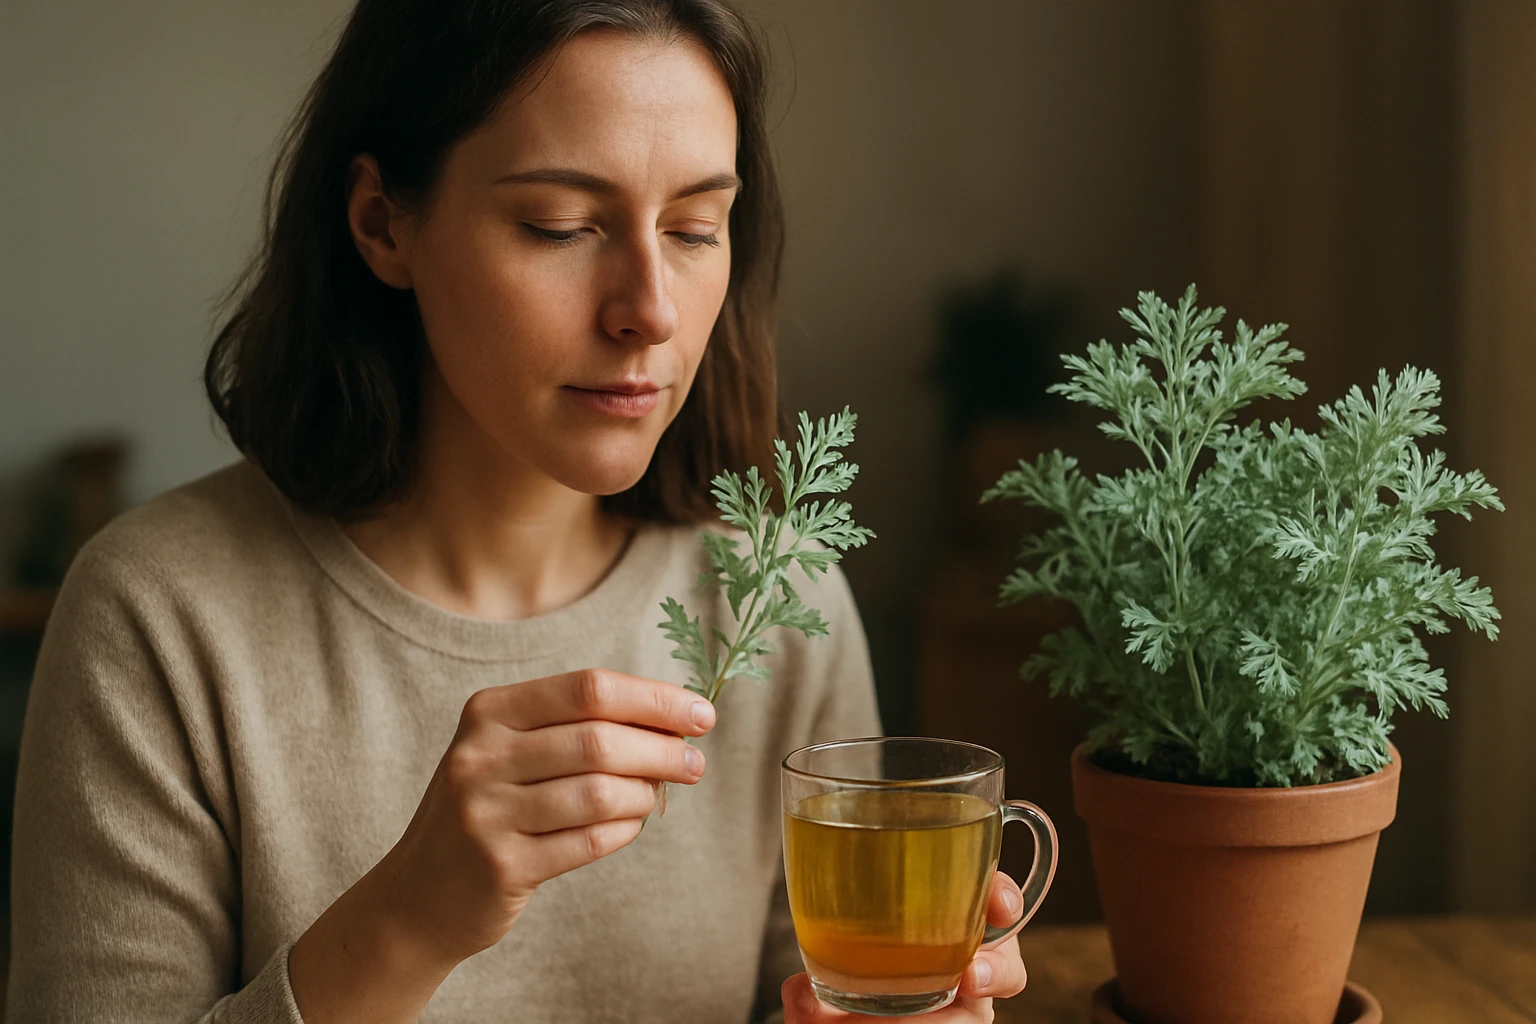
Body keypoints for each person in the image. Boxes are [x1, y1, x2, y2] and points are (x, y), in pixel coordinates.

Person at [6, 1, 1029, 1021]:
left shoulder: (777, 603)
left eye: (694, 227)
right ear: (381, 223)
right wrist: (408, 921)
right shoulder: (155, 618)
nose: (652, 309)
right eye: (562, 225)